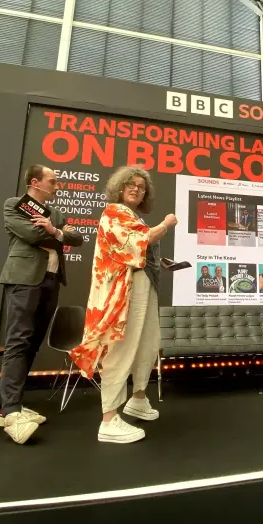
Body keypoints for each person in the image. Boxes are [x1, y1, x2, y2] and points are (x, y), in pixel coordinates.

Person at [70, 166, 177, 444]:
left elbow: (138, 252)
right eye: (131, 184)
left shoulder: (132, 216)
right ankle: (108, 419)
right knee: (122, 346)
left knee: (147, 342)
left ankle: (138, 398)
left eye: (141, 187)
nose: (136, 189)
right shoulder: (114, 211)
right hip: (124, 291)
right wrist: (166, 224)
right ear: (119, 187)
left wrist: (160, 263)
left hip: (143, 285)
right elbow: (137, 243)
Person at [0, 165, 83, 444]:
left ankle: (12, 406)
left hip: (51, 281)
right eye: (53, 182)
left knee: (33, 342)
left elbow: (77, 239)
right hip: (24, 279)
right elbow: (32, 236)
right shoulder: (13, 205)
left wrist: (55, 231)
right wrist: (58, 234)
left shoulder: (56, 215)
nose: (58, 186)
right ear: (35, 182)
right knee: (18, 340)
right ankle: (10, 411)